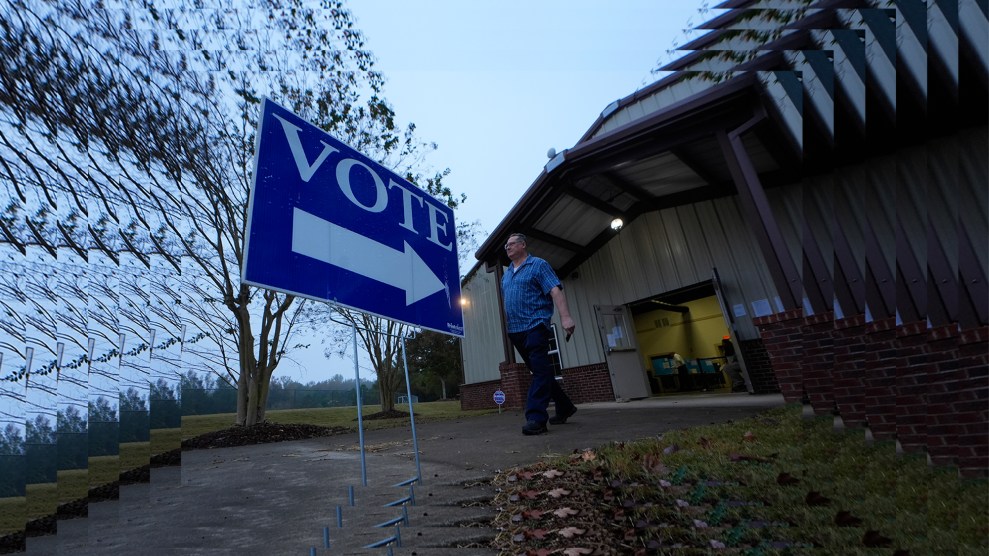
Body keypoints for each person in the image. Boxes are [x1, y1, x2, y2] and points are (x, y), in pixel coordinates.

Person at [501, 233, 578, 436]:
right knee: (540, 371)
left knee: (540, 371)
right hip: (516, 331)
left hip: (536, 325)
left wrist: (566, 317)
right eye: (505, 246)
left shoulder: (538, 265)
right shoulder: (506, 274)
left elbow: (555, 291)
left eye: (511, 244)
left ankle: (536, 417)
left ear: (523, 245)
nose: (507, 248)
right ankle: (565, 406)